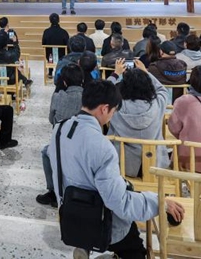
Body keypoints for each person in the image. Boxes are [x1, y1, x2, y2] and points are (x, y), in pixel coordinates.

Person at [48, 79, 185, 258]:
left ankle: (85, 245)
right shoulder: (103, 147)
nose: (112, 115)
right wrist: (159, 202)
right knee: (134, 245)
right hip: (101, 221)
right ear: (104, 109)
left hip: (70, 216)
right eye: (113, 111)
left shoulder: (59, 129)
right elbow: (119, 203)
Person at [107, 59, 171, 177]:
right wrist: (145, 72)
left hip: (122, 165)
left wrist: (116, 73)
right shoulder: (158, 103)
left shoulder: (115, 105)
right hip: (155, 164)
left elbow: (103, 91)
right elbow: (162, 89)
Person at [37, 64, 85, 208]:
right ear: (82, 80)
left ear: (64, 82)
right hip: (84, 145)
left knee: (46, 152)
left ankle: (52, 191)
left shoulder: (58, 96)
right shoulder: (89, 96)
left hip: (61, 144)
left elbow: (52, 120)